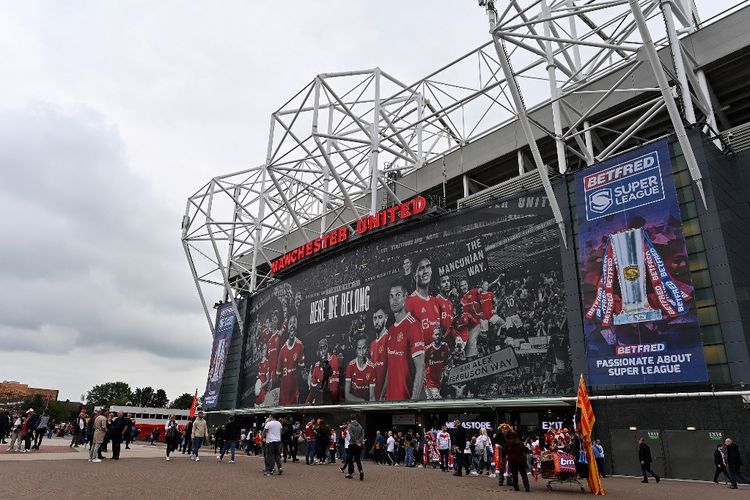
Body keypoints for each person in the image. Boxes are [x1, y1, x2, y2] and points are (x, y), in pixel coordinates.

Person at [382, 283, 425, 401]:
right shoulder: (391, 330)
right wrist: (383, 392)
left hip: (406, 401)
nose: (394, 300)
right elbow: (391, 367)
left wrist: (414, 401)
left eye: (398, 295)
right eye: (391, 296)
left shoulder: (413, 326)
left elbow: (421, 368)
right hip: (391, 401)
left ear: (405, 296)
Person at [276, 314, 305, 406]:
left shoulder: (300, 346)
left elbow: (301, 370)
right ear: (288, 328)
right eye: (290, 323)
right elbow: (278, 375)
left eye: (294, 323)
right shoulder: (282, 350)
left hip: (294, 393)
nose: (292, 325)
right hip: (284, 395)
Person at [345, 337, 376, 402]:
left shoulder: (371, 367)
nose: (361, 352)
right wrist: (362, 402)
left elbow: (372, 397)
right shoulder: (350, 366)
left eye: (364, 348)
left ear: (367, 349)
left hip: (366, 406)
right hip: (354, 404)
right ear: (356, 350)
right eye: (359, 348)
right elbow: (347, 395)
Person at [369, 307, 389, 401]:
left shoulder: (389, 338)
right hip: (374, 398)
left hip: (385, 397)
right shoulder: (372, 344)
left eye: (380, 317)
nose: (377, 321)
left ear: (386, 317)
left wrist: (383, 393)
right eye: (375, 318)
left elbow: (391, 370)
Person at [342, 415, 365, 480]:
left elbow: (351, 434)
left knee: (350, 458)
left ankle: (350, 473)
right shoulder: (360, 425)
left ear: (350, 419)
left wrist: (356, 441)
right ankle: (361, 471)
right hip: (359, 445)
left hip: (352, 444)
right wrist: (359, 441)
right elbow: (363, 434)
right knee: (358, 459)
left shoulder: (350, 425)